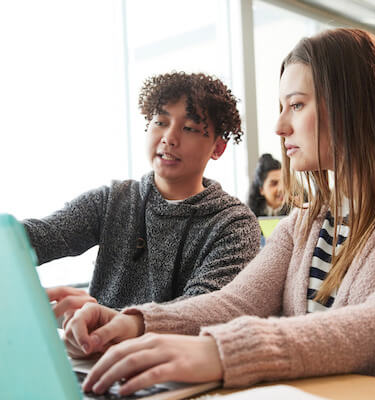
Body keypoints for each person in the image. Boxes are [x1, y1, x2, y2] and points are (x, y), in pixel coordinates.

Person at [62, 28, 375, 396]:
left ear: (353, 105)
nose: (279, 125)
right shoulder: (307, 220)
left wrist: (222, 353)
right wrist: (133, 323)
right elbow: (236, 303)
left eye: (297, 105)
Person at [24, 72, 261, 320]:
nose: (169, 138)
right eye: (160, 122)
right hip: (96, 352)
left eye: (189, 128)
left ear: (218, 148)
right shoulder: (113, 201)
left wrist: (108, 319)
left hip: (174, 357)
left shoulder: (234, 225)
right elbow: (40, 237)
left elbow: (202, 310)